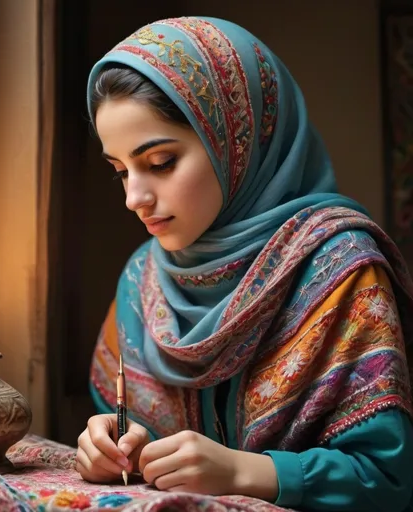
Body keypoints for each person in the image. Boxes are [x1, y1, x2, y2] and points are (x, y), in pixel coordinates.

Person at [77, 16, 413, 511]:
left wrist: (244, 472)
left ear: (234, 141)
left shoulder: (340, 270)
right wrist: (114, 444)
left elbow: (388, 479)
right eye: (120, 171)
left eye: (161, 162)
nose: (134, 197)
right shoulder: (141, 280)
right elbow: (125, 432)